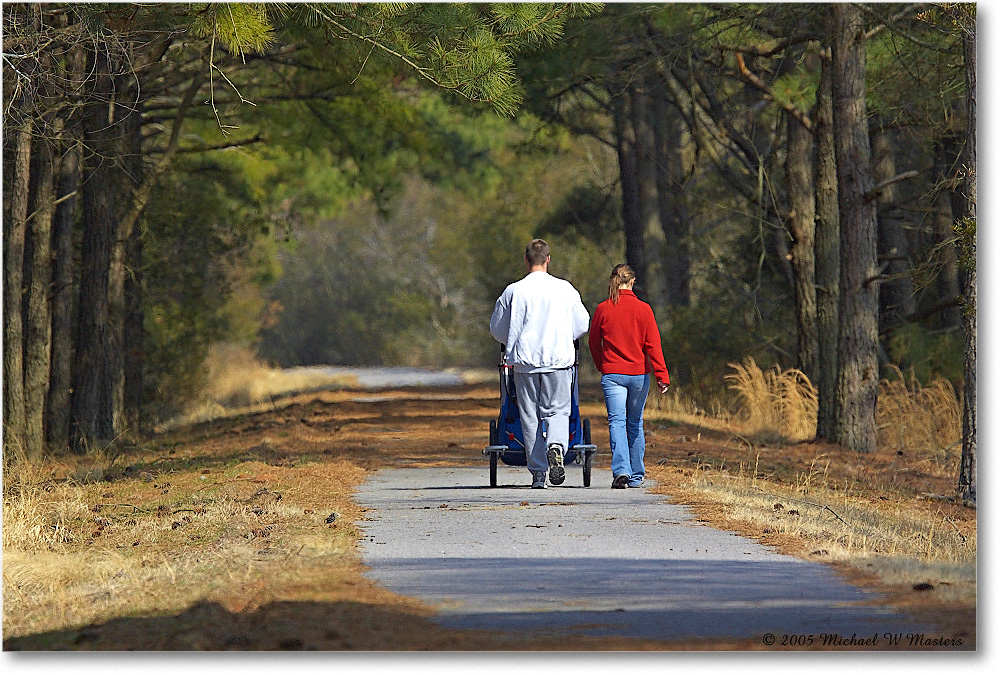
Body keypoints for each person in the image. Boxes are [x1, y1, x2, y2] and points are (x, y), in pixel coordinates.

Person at [490, 239, 591, 489]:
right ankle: (556, 446)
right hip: (558, 362)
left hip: (525, 363)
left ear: (526, 260)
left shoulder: (513, 291)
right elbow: (582, 325)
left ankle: (538, 473)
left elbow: (497, 329)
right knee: (557, 411)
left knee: (529, 417)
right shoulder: (565, 289)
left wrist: (513, 339)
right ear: (548, 260)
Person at [588, 264, 670, 489]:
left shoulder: (603, 309)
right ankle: (636, 474)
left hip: (613, 374)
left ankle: (621, 469)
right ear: (632, 282)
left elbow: (594, 343)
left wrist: (602, 365)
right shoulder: (644, 309)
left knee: (616, 421)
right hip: (638, 375)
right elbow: (653, 345)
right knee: (634, 423)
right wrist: (662, 374)